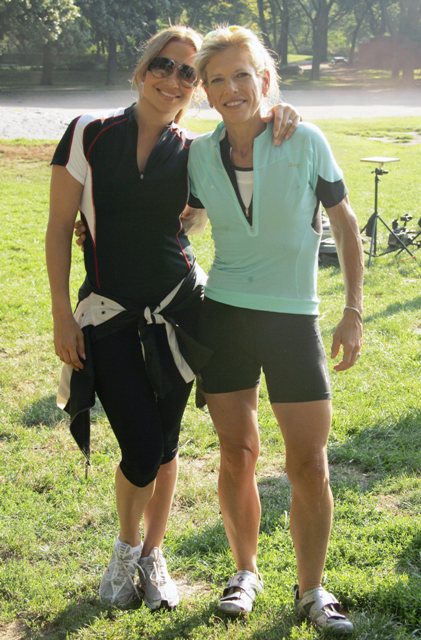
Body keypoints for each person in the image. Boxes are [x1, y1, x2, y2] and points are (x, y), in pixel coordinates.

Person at [46, 25, 300, 612]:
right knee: (139, 446)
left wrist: (283, 111)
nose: (174, 79)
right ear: (142, 70)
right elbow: (60, 228)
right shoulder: (88, 133)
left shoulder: (196, 150)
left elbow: (251, 140)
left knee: (164, 444)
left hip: (181, 312)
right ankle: (125, 548)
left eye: (189, 72)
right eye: (164, 64)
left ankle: (152, 555)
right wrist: (61, 314)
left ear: (197, 88)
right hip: (106, 314)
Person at [185, 25, 364, 635]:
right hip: (225, 316)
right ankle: (246, 572)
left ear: (265, 79)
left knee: (308, 464)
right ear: (205, 90)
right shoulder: (197, 154)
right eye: (217, 79)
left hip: (294, 320)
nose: (231, 88)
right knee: (237, 454)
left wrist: (353, 309)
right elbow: (188, 215)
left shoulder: (304, 138)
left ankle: (312, 589)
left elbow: (345, 225)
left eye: (243, 74)